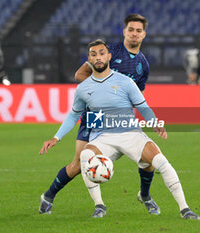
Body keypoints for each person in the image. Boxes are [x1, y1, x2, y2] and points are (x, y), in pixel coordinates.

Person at [39, 39, 200, 220]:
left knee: (161, 162)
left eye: (102, 53)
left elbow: (143, 106)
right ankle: (99, 206)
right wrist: (56, 137)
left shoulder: (125, 82)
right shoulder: (83, 89)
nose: (98, 57)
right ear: (89, 60)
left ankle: (184, 209)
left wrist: (155, 123)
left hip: (131, 134)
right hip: (103, 138)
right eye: (94, 54)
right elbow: (73, 115)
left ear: (109, 56)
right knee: (84, 156)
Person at [39, 14, 160, 216]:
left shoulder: (143, 64)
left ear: (144, 35)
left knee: (146, 158)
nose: (134, 34)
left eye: (138, 31)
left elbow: (138, 95)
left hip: (121, 120)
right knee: (79, 164)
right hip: (94, 116)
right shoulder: (108, 51)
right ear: (125, 32)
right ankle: (49, 196)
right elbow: (79, 75)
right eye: (131, 30)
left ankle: (145, 196)